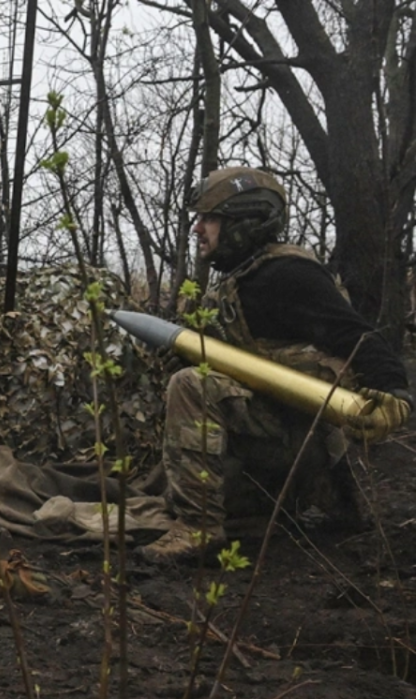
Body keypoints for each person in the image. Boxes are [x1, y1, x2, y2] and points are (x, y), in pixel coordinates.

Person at [137, 166, 412, 564]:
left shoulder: (287, 274)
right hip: (289, 441)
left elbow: (356, 335)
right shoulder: (243, 280)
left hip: (298, 439)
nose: (198, 229)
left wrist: (394, 390)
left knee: (189, 385)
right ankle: (328, 501)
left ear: (244, 222)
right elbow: (247, 357)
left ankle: (198, 529)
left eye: (209, 219)